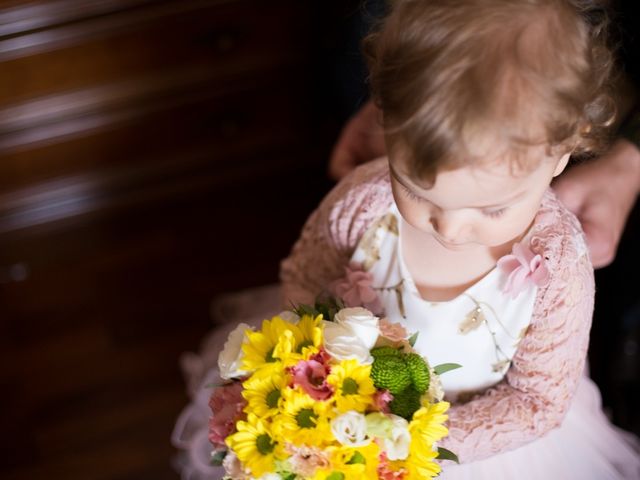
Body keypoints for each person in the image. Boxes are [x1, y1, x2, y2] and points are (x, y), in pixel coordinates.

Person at [279, 0, 640, 478]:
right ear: (385, 119)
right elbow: (306, 278)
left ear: (563, 152)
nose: (448, 229)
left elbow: (536, 402)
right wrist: (317, 374)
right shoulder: (362, 204)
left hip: (478, 454)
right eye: (412, 189)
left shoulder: (555, 266)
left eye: (492, 208)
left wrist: (409, 441)